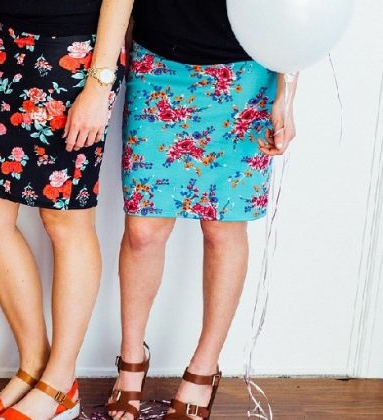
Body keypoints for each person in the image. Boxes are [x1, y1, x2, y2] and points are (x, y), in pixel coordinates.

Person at [106, 1, 297, 419]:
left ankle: (204, 366)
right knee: (143, 231)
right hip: (157, 64)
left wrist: (287, 93)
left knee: (222, 230)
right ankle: (130, 359)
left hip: (245, 74)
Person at [0, 1, 132, 419]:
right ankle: (35, 367)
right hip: (5, 47)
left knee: (66, 220)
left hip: (75, 53)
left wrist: (99, 81)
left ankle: (60, 385)